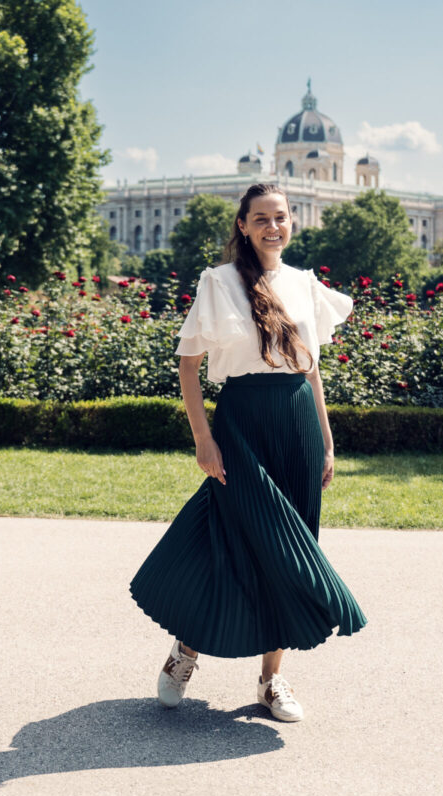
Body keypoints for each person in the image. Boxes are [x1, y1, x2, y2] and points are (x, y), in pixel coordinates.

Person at [128, 183, 367, 723]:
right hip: (240, 425)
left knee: (289, 551)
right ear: (243, 224)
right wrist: (203, 438)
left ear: (292, 223)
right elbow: (188, 366)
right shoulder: (217, 282)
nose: (272, 227)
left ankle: (271, 680)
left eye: (280, 217)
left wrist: (326, 440)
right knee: (227, 539)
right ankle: (187, 650)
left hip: (297, 423)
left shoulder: (305, 285)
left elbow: (311, 368)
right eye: (261, 218)